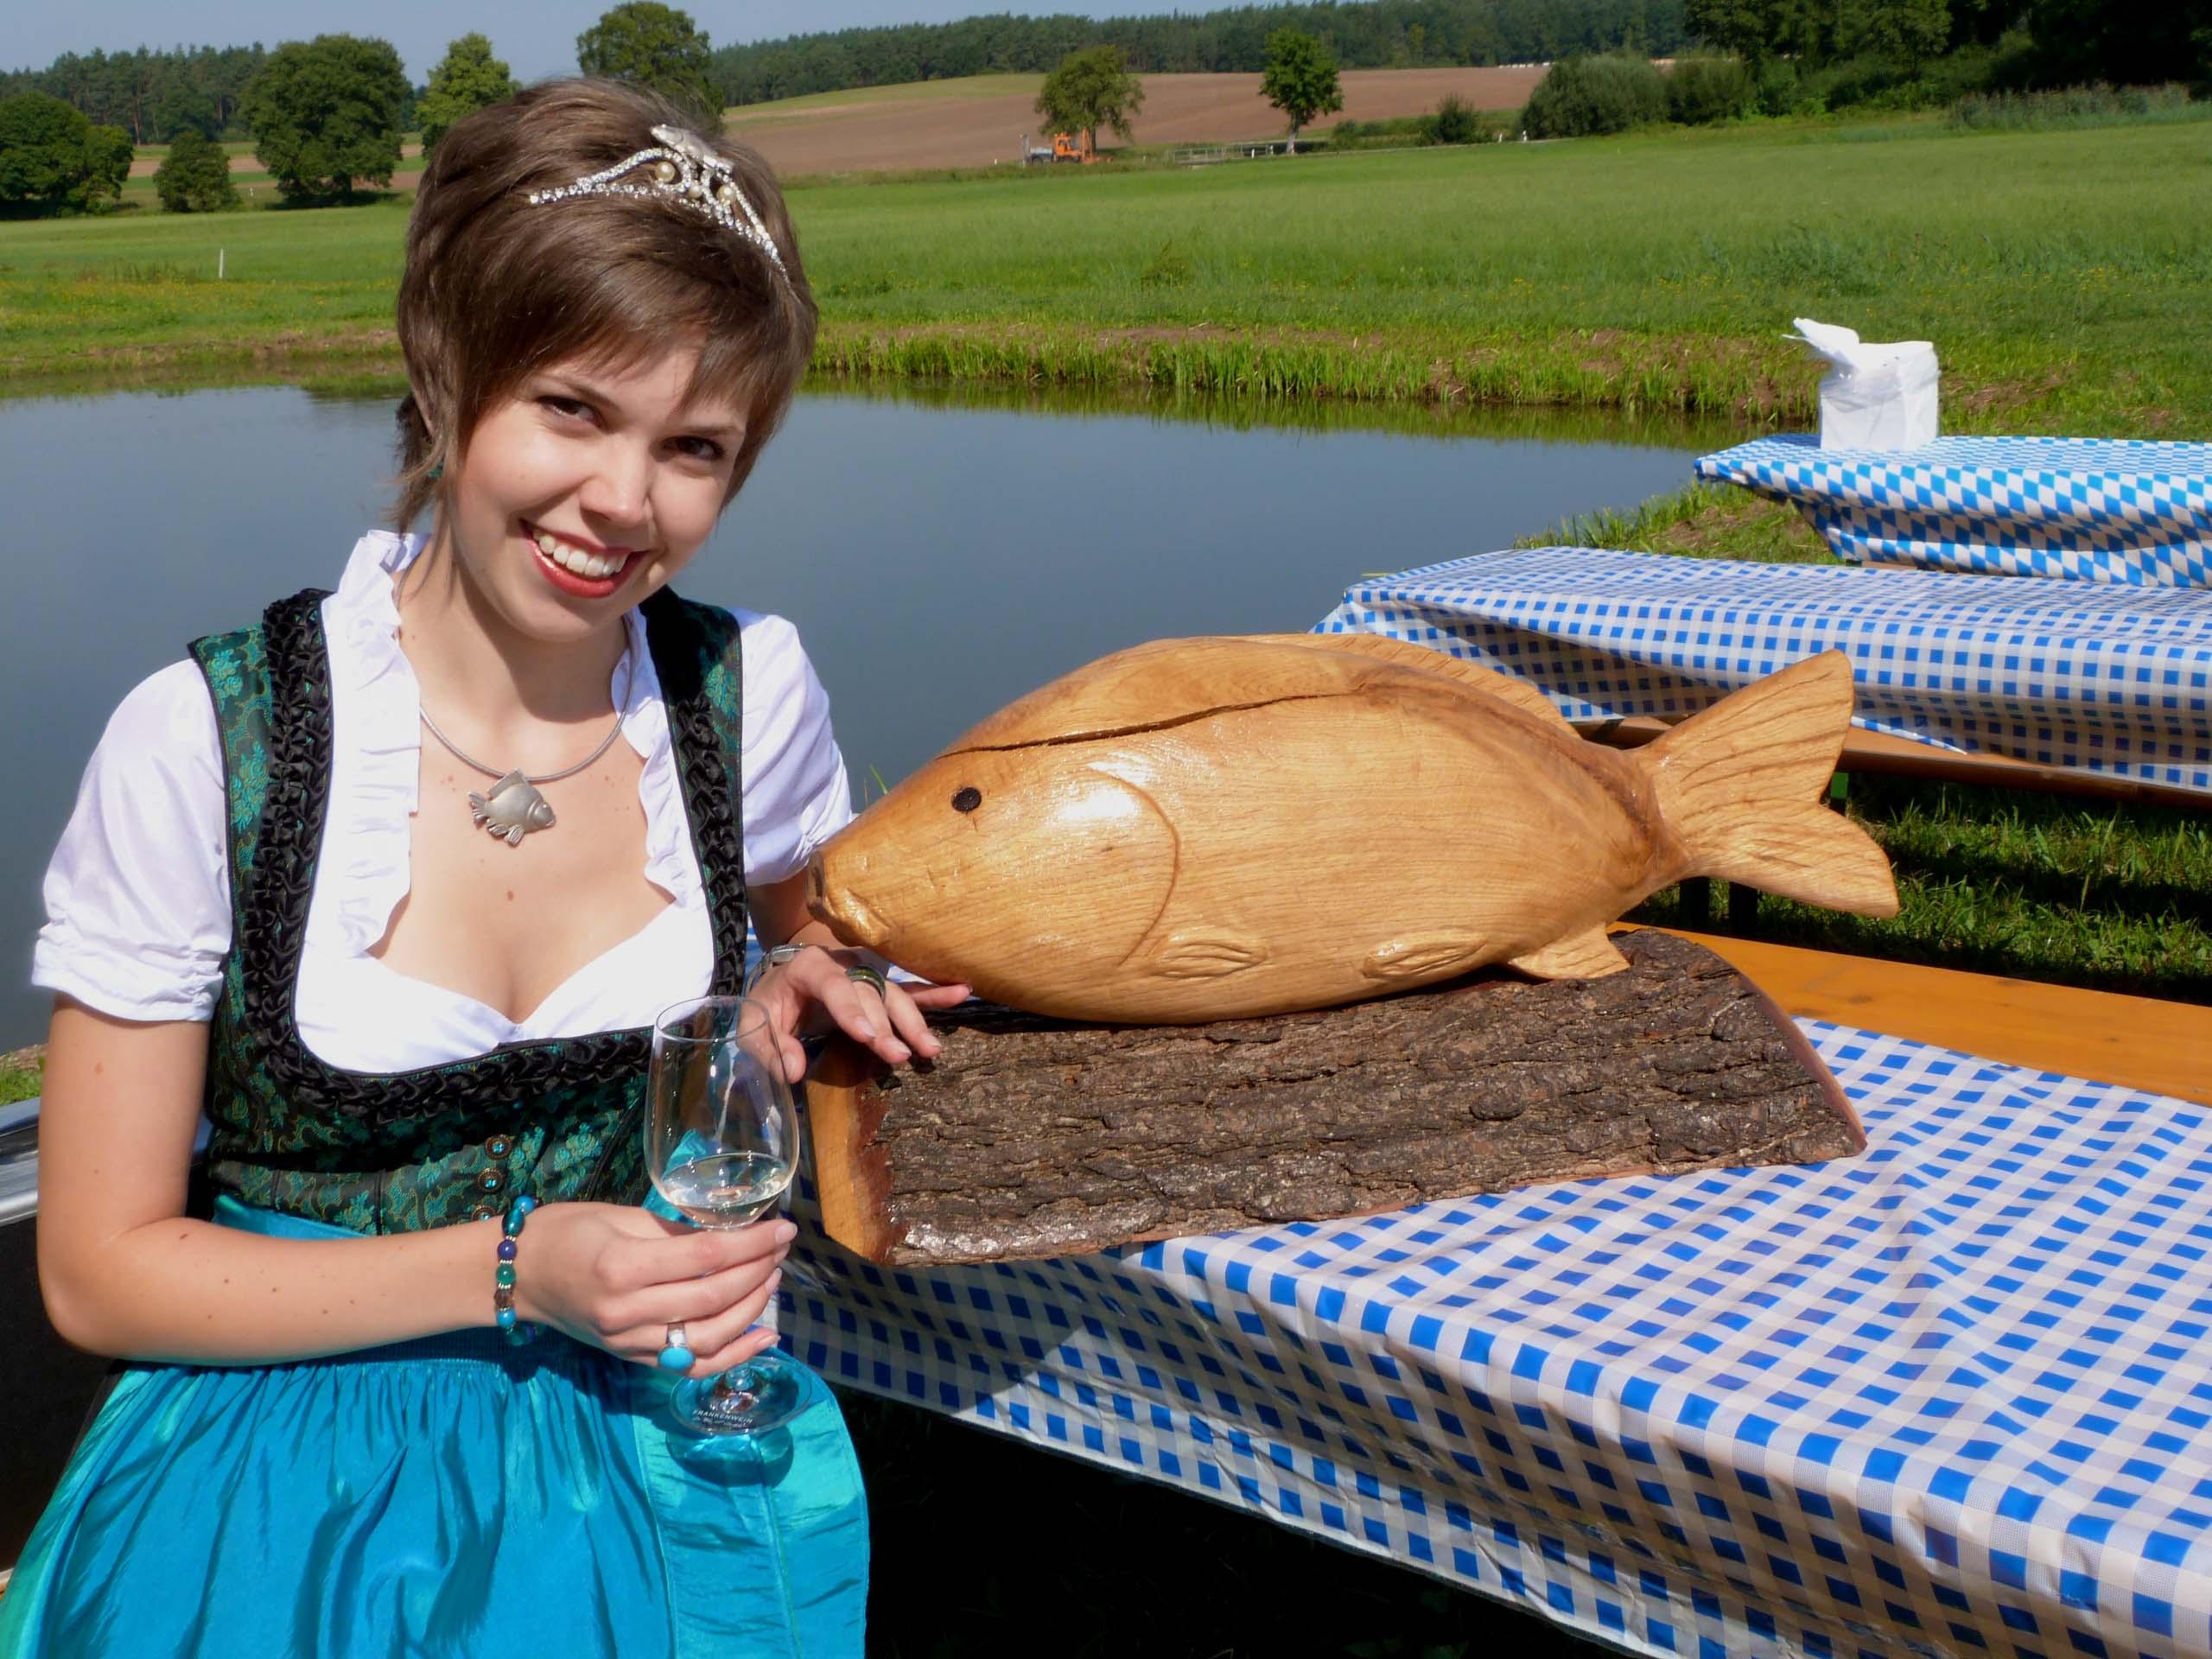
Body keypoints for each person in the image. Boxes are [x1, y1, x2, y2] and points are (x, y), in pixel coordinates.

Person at [0, 79, 962, 1657]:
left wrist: (809, 974)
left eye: (697, 446)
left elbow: (803, 938)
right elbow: (101, 1275)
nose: (625, 504)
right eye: (573, 410)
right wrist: (523, 1266)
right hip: (283, 1492)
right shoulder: (207, 743)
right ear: (448, 371)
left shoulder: (744, 700)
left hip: (660, 1457)